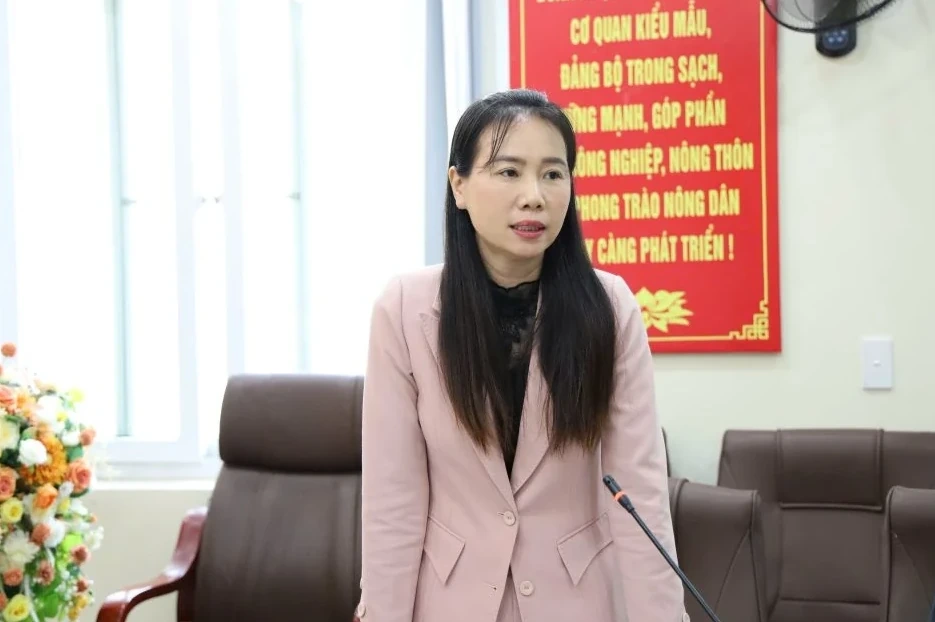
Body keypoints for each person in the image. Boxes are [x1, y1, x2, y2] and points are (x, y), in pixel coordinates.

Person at [357, 88, 688, 622]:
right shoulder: (403, 308)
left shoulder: (609, 307)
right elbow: (392, 502)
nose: (534, 196)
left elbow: (640, 493)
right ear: (459, 185)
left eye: (553, 174)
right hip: (450, 602)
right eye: (509, 172)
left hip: (578, 602)